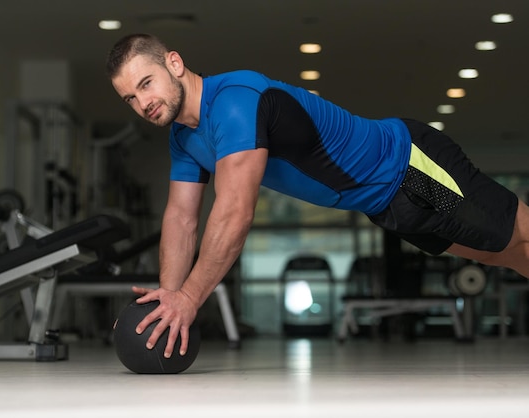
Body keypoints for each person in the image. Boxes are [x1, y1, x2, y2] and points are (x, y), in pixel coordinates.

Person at [105, 33, 529, 358]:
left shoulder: (235, 101)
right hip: (383, 205)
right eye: (130, 98)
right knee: (498, 252)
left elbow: (234, 211)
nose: (143, 103)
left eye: (146, 83)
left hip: (409, 164)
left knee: (517, 231)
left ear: (174, 63)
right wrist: (168, 302)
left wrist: (189, 298)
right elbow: (181, 218)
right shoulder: (183, 139)